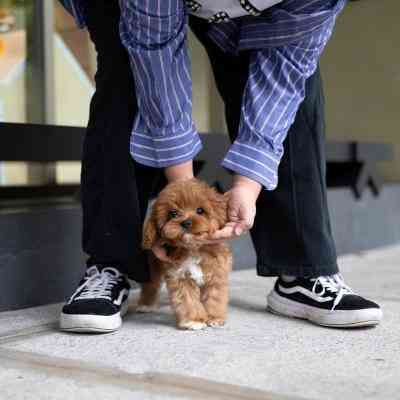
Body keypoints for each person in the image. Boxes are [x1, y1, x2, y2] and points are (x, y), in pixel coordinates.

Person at [59, 0, 382, 333]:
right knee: (127, 65)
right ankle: (110, 264)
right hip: (140, 11)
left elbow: (281, 78)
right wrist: (182, 194)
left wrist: (248, 185)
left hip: (268, 13)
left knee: (294, 82)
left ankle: (303, 269)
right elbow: (155, 54)